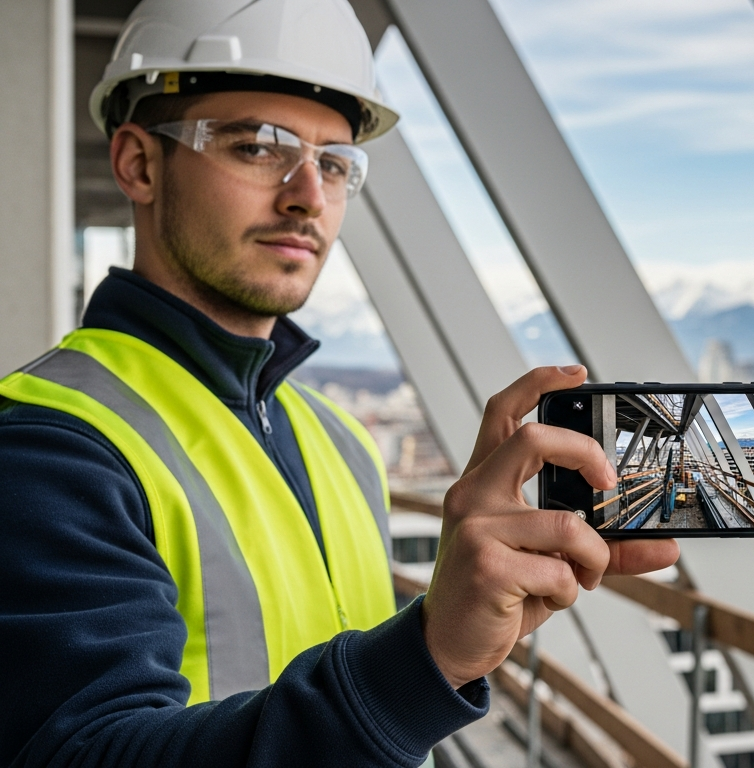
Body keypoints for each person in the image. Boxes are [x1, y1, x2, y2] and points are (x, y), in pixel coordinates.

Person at [0, 0, 678, 765]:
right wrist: (424, 658)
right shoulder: (46, 447)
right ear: (138, 164)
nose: (307, 196)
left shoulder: (341, 442)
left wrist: (455, 621)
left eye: (334, 163)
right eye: (259, 147)